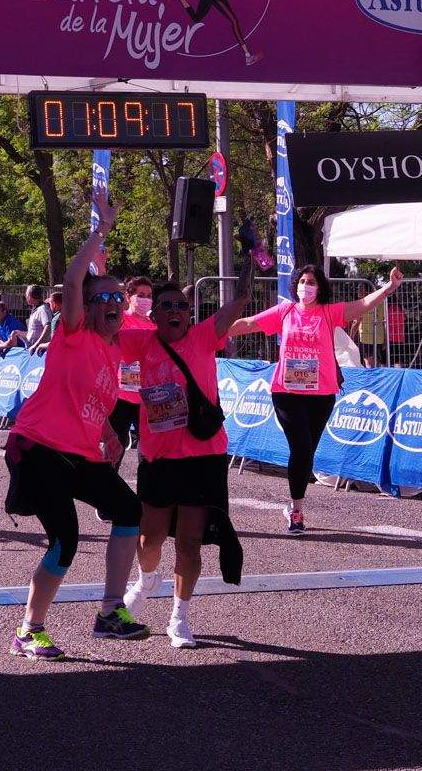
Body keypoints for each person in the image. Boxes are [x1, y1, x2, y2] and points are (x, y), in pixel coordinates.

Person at [3, 189, 148, 660]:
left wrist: (107, 433)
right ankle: (29, 630)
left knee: (129, 510)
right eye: (101, 296)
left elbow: (95, 402)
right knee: (65, 537)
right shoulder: (72, 334)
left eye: (117, 298)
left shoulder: (112, 351)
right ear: (85, 306)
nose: (111, 302)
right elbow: (71, 280)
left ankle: (109, 613)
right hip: (39, 447)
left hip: (81, 453)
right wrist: (101, 229)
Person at [121, 262, 253, 648]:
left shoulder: (203, 336)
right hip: (159, 457)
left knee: (190, 542)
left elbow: (241, 299)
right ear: (155, 314)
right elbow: (99, 335)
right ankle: (147, 579)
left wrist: (248, 256)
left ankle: (179, 617)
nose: (176, 312)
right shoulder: (139, 342)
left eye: (181, 306)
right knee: (151, 537)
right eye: (166, 306)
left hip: (203, 455)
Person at [228, 263, 403, 534]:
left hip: (321, 394)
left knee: (307, 451)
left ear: (319, 287)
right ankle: (296, 512)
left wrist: (389, 287)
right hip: (287, 393)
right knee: (301, 447)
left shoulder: (328, 313)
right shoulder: (285, 311)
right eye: (302, 281)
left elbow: (362, 304)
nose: (305, 286)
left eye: (311, 282)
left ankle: (293, 504)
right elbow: (250, 323)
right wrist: (214, 329)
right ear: (295, 285)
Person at [109, 276, 156, 455]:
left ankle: (147, 483)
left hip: (146, 397)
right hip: (120, 395)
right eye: (141, 295)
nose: (146, 299)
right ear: (129, 297)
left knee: (148, 451)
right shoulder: (120, 320)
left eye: (149, 295)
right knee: (114, 448)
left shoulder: (154, 326)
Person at [28, 290, 63, 355]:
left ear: (54, 304)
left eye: (50, 303)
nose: (49, 305)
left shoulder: (57, 319)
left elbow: (55, 343)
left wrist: (40, 345)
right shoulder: (72, 316)